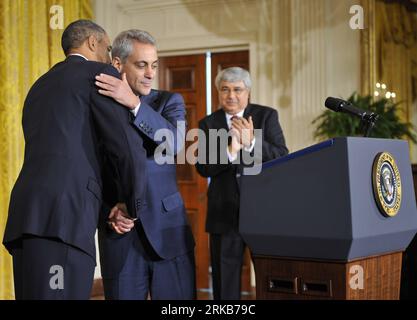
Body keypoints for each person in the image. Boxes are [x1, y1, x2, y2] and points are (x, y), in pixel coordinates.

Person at [2, 20, 147, 300]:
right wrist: (130, 204)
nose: (111, 58)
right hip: (65, 220)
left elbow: (70, 152)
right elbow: (125, 148)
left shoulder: (39, 85)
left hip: (26, 217)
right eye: (108, 49)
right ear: (93, 43)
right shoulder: (100, 74)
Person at [94, 29, 195, 300]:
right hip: (119, 235)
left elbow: (173, 144)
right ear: (117, 64)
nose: (150, 73)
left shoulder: (169, 102)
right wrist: (108, 211)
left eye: (154, 65)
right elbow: (90, 168)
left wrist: (134, 104)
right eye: (141, 65)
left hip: (168, 232)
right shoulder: (97, 106)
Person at [195, 67, 288, 300]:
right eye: (225, 89)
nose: (231, 95)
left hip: (262, 212)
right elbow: (203, 167)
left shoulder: (267, 116)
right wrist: (230, 150)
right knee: (224, 282)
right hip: (223, 214)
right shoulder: (208, 123)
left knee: (270, 277)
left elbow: (282, 155)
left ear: (248, 92)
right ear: (218, 92)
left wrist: (252, 143)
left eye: (237, 89)